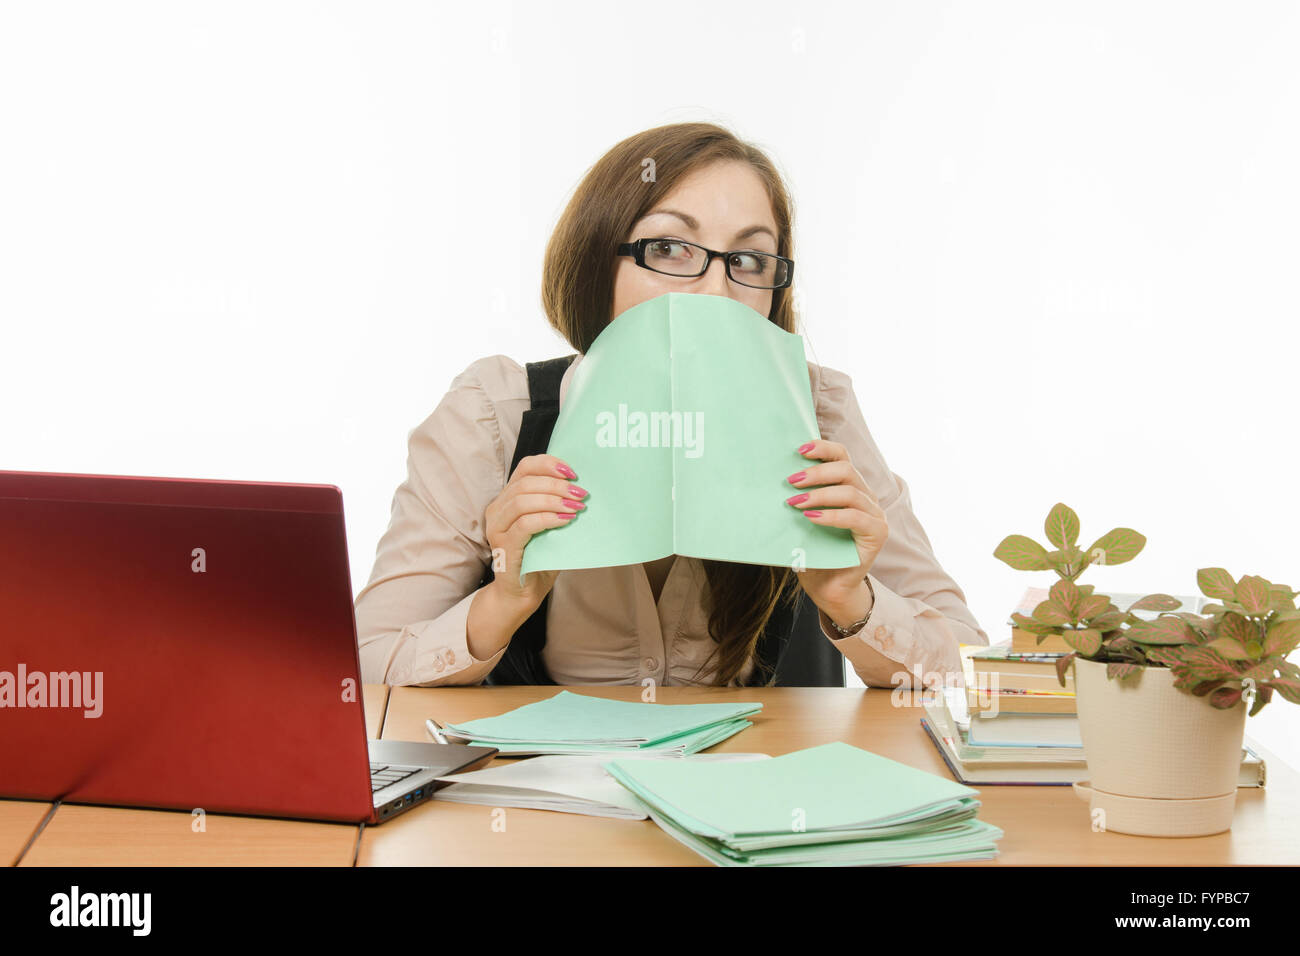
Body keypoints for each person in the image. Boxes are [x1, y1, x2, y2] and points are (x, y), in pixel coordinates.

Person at [354, 122, 990, 690]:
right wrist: (504, 599)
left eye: (748, 259)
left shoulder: (820, 413)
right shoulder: (494, 414)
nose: (714, 290)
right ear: (595, 265)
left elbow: (968, 669)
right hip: (542, 808)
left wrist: (855, 598)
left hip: (756, 803)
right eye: (668, 249)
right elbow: (365, 667)